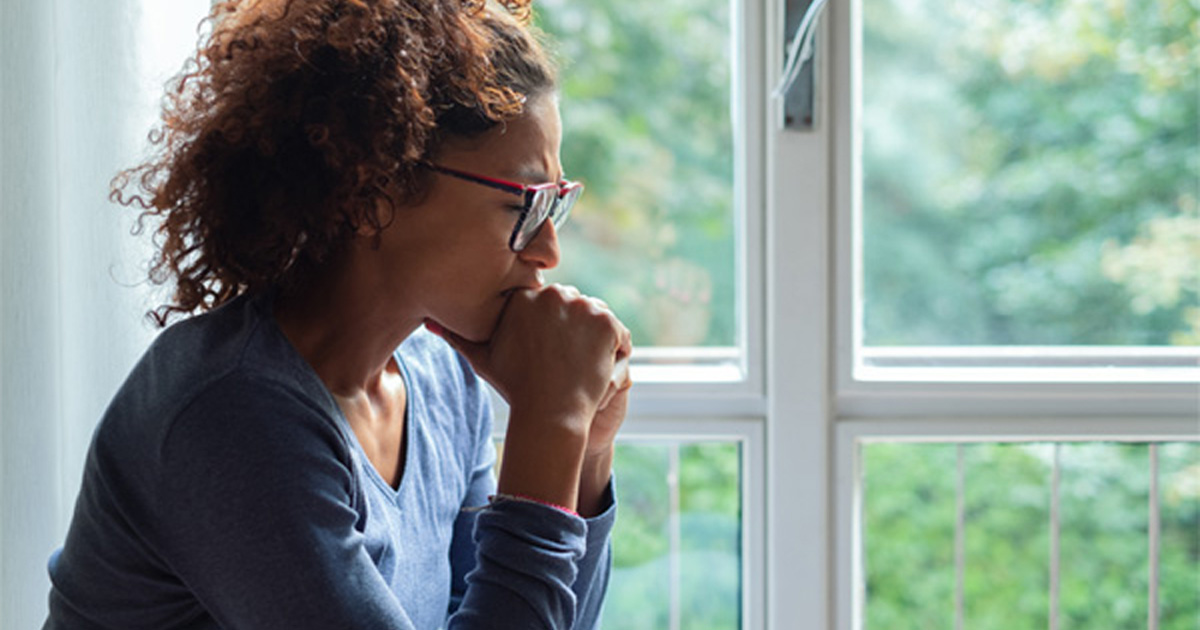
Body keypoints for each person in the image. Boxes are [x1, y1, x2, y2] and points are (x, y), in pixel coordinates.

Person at [43, 0, 632, 628]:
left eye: (555, 203)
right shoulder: (232, 413)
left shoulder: (440, 377)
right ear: (374, 193)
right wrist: (549, 424)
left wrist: (588, 450)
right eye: (526, 203)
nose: (549, 249)